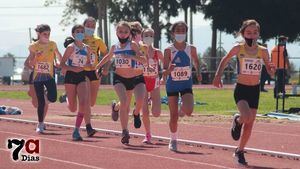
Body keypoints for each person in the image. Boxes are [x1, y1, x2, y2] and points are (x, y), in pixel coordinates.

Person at [213, 19, 275, 166]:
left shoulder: (263, 51)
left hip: (255, 89)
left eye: (255, 33)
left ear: (258, 34)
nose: (252, 35)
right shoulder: (238, 48)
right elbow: (225, 59)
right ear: (243, 34)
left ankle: (239, 151)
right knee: (246, 116)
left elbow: (270, 71)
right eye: (248, 32)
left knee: (250, 123)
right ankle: (237, 120)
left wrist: (272, 70)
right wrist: (217, 75)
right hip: (241, 88)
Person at [96, 21, 146, 144]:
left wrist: (132, 57)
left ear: (129, 33)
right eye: (120, 32)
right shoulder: (114, 47)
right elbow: (107, 57)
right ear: (116, 32)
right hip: (120, 78)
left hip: (135, 78)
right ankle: (125, 131)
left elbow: (144, 60)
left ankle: (120, 109)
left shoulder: (133, 45)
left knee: (140, 100)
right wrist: (97, 67)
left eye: (125, 32)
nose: (123, 34)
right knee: (125, 102)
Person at [163, 21, 201, 151]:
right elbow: (164, 71)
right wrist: (169, 70)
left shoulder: (191, 48)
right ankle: (173, 140)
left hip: (186, 83)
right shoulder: (168, 50)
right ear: (173, 33)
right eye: (178, 30)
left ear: (186, 32)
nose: (180, 33)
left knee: (189, 110)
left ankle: (182, 111)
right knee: (173, 116)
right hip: (172, 85)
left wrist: (198, 72)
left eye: (183, 30)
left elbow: (196, 61)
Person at [60, 24, 93, 141]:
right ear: (73, 34)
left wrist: (88, 66)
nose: (80, 33)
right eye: (77, 31)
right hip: (70, 76)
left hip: (81, 76)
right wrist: (73, 68)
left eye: (82, 31)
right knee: (73, 108)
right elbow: (62, 64)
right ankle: (67, 98)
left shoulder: (87, 48)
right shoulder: (70, 47)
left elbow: (89, 63)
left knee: (83, 103)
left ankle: (76, 130)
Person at [27, 24, 62, 133]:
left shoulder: (53, 44)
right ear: (39, 34)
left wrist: (58, 62)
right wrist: (36, 57)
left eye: (48, 34)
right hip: (38, 77)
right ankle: (40, 124)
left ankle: (45, 98)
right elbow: (30, 63)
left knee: (53, 98)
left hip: (49, 76)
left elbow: (58, 55)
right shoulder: (34, 46)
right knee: (41, 103)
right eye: (44, 34)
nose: (47, 36)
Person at [82, 17, 109, 136]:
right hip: (83, 71)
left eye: (93, 26)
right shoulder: (79, 38)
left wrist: (105, 68)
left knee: (92, 102)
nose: (90, 28)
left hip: (95, 71)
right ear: (84, 26)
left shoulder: (98, 40)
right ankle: (88, 127)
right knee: (86, 100)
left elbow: (106, 54)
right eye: (88, 25)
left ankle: (66, 96)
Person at [141, 28, 164, 144]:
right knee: (145, 111)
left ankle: (151, 99)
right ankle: (148, 134)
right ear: (142, 37)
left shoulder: (157, 52)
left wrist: (164, 76)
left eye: (150, 35)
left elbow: (166, 64)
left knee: (156, 113)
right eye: (146, 35)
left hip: (154, 81)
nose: (148, 37)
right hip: (142, 81)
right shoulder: (138, 51)